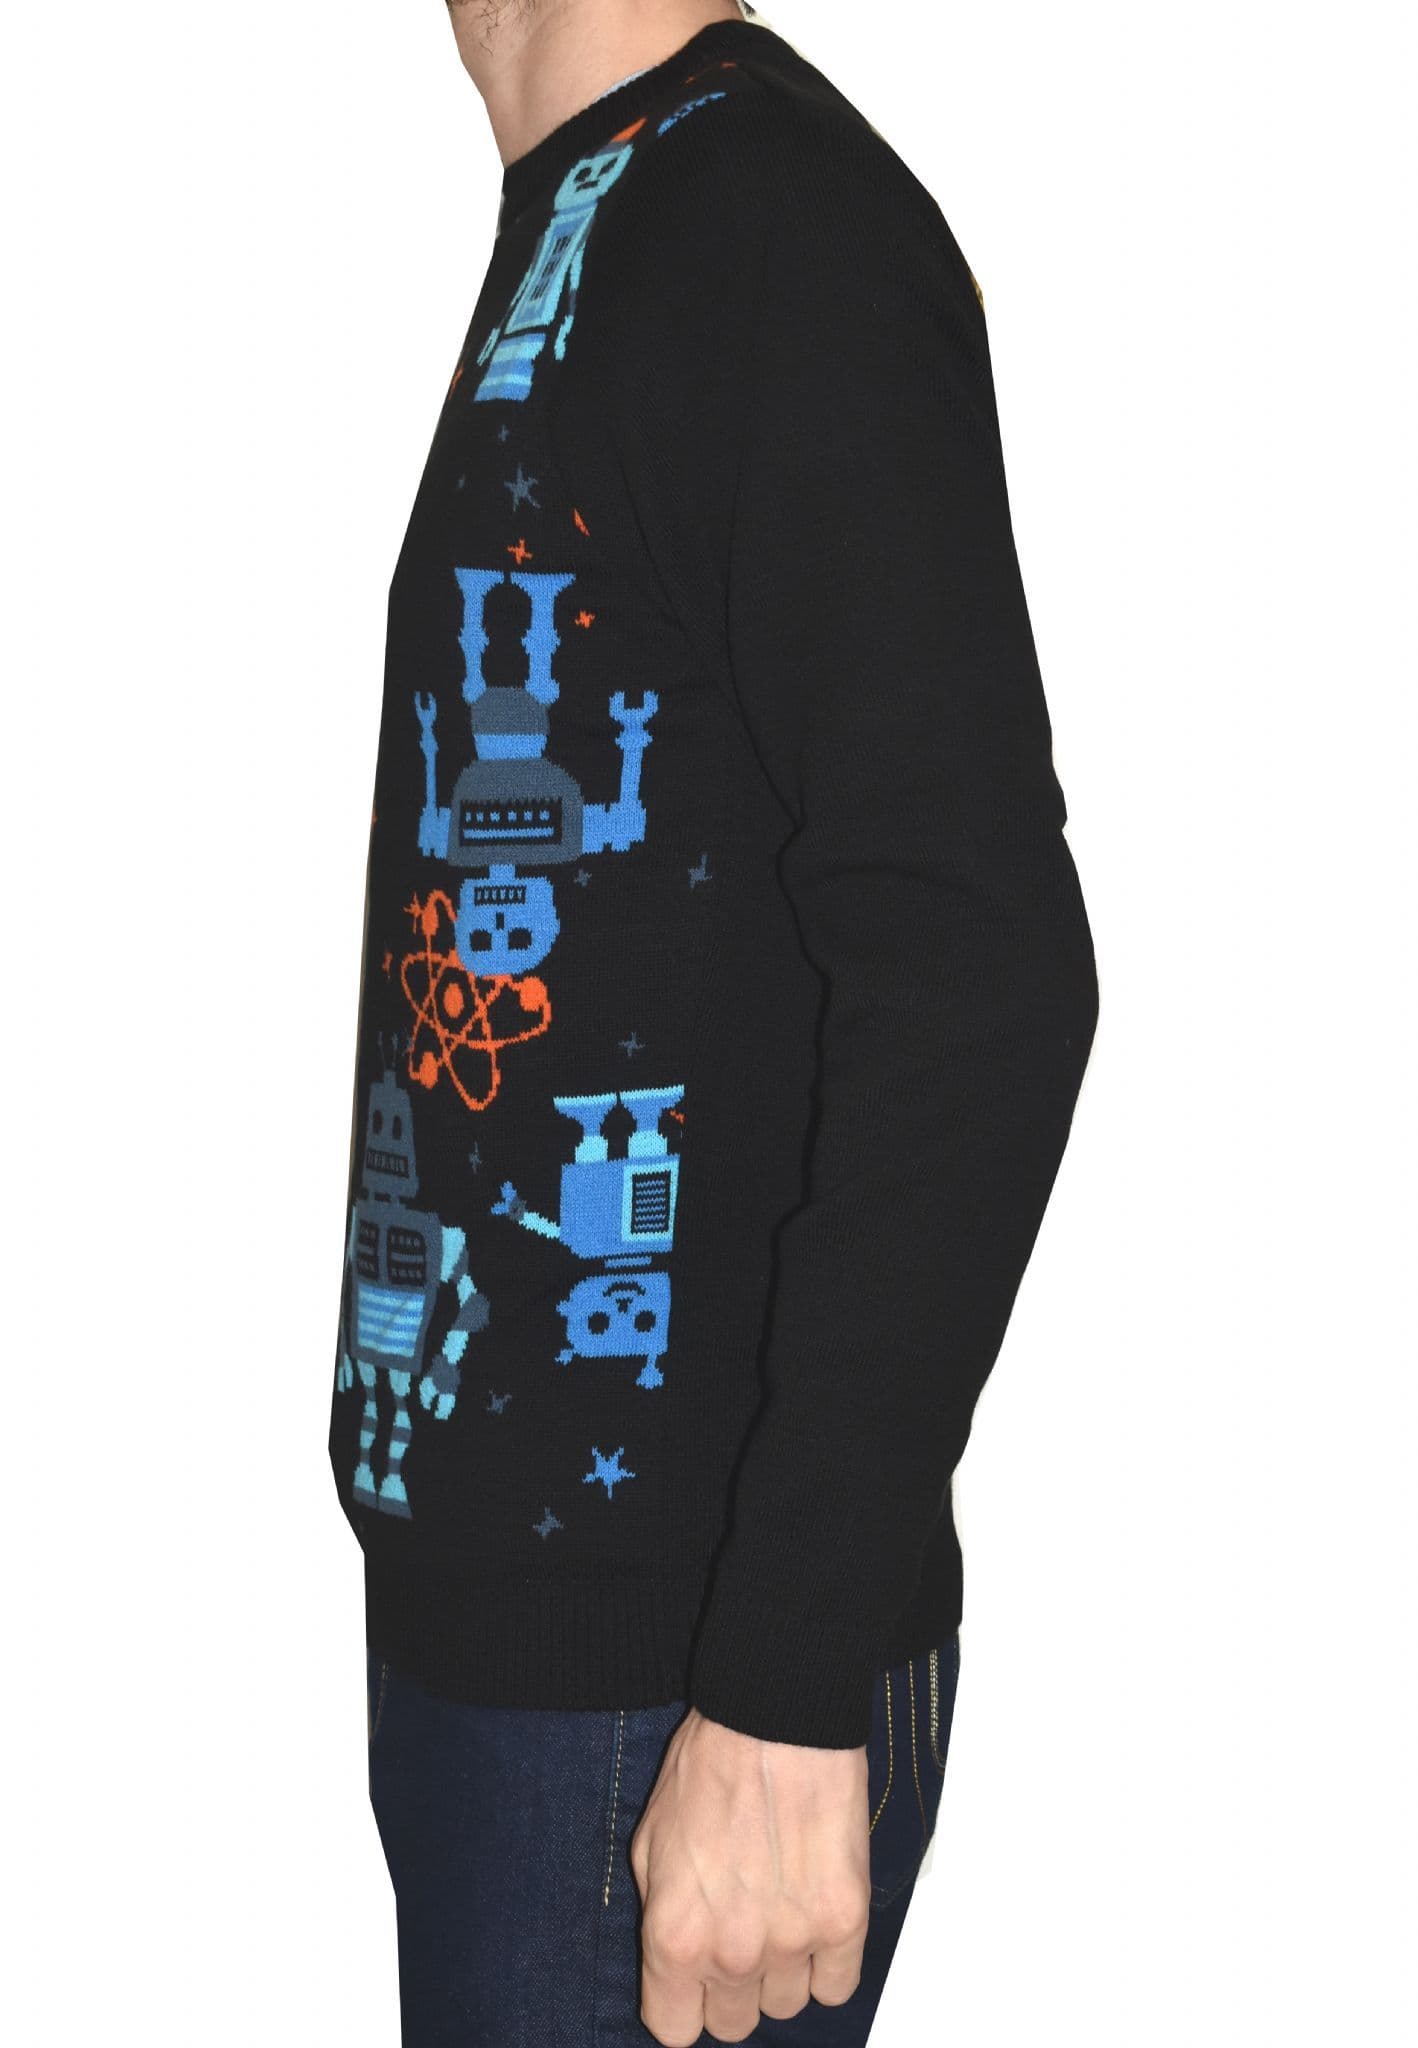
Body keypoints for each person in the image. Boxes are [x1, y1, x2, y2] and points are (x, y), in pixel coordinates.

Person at [330, 1, 1097, 2040]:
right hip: (528, 1645)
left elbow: (981, 973)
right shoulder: (603, 206)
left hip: (667, 1686)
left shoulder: (763, 220)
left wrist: (779, 1679)